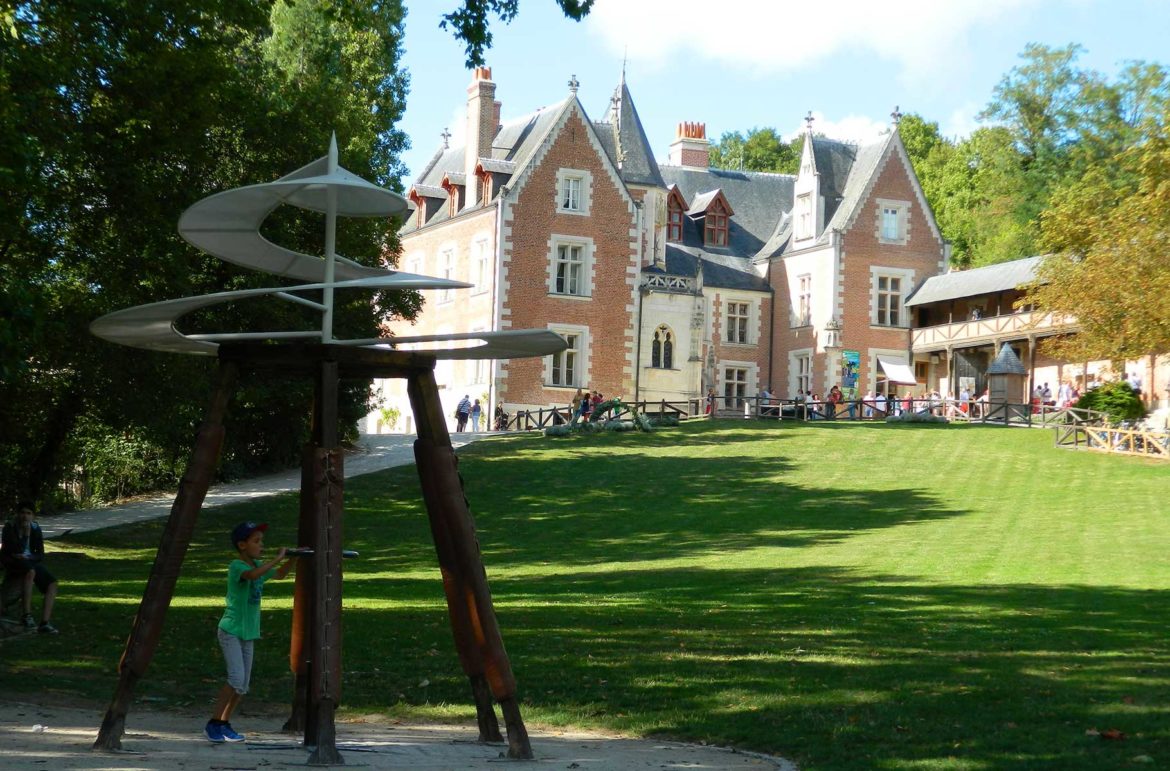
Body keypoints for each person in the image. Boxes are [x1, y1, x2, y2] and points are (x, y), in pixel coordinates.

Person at [205, 522, 295, 744]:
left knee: (243, 685)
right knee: (235, 678)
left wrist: (293, 557)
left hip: (248, 632)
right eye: (257, 541)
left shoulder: (257, 565)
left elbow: (280, 575)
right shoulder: (237, 566)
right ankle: (213, 723)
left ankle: (225, 724)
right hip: (231, 630)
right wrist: (278, 558)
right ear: (242, 545)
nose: (261, 545)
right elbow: (253, 575)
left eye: (261, 541)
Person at [1, 502, 58, 634]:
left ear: (33, 516)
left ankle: (44, 623)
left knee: (52, 583)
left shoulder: (36, 528)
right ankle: (27, 615)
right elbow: (14, 550)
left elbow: (40, 554)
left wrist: (30, 557)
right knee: (30, 572)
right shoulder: (10, 527)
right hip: (12, 561)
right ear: (17, 514)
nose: (25, 516)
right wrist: (26, 535)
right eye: (22, 513)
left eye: (28, 513)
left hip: (29, 561)